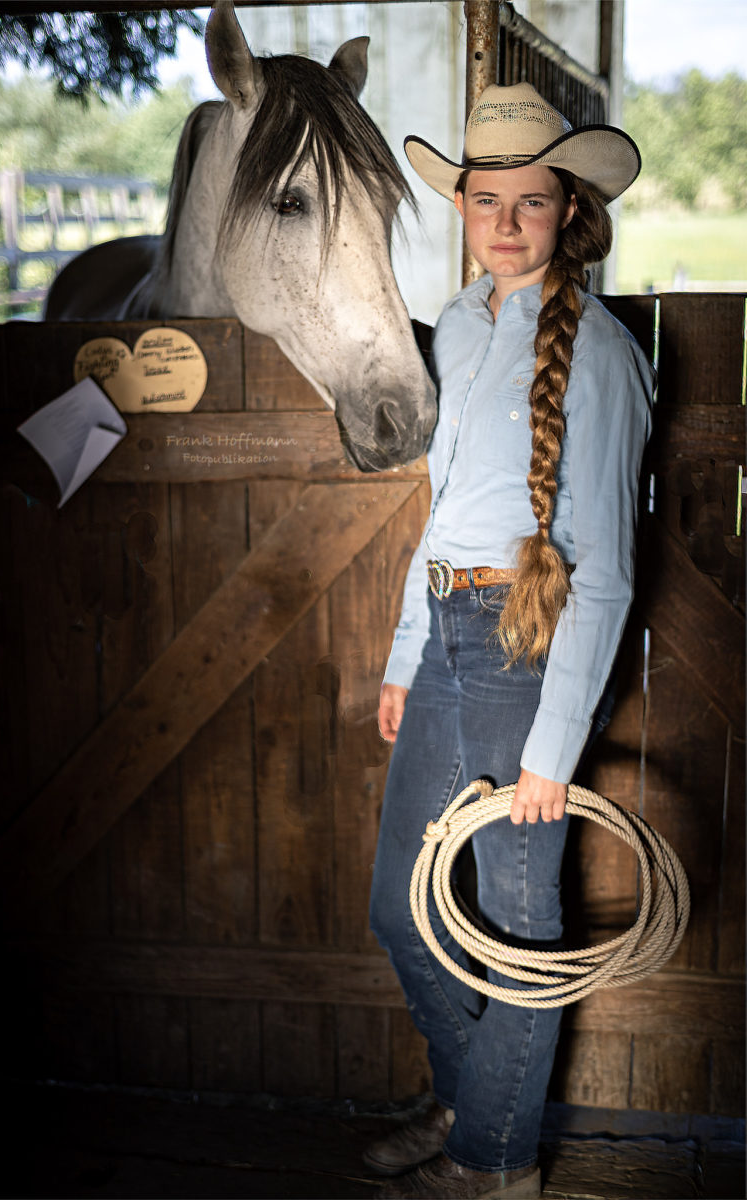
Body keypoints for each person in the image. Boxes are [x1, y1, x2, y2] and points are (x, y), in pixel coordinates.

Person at [364, 83, 653, 1200]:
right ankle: (466, 1097)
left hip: (523, 646)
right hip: (444, 632)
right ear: (464, 208)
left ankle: (494, 1162)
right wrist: (402, 657)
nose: (502, 221)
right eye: (485, 199)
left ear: (565, 211)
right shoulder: (464, 323)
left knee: (522, 923)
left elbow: (609, 572)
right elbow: (439, 509)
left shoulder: (601, 355)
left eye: (529, 202)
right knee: (401, 907)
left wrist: (551, 747)